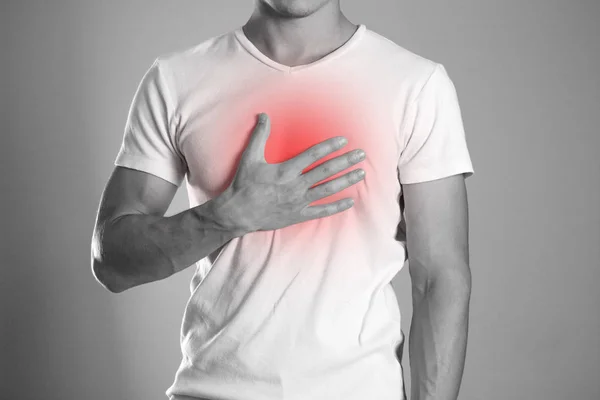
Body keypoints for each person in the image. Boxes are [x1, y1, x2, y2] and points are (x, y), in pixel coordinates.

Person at [90, 0, 475, 399]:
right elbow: (112, 263)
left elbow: (439, 280)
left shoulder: (416, 85)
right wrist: (224, 217)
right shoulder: (175, 79)